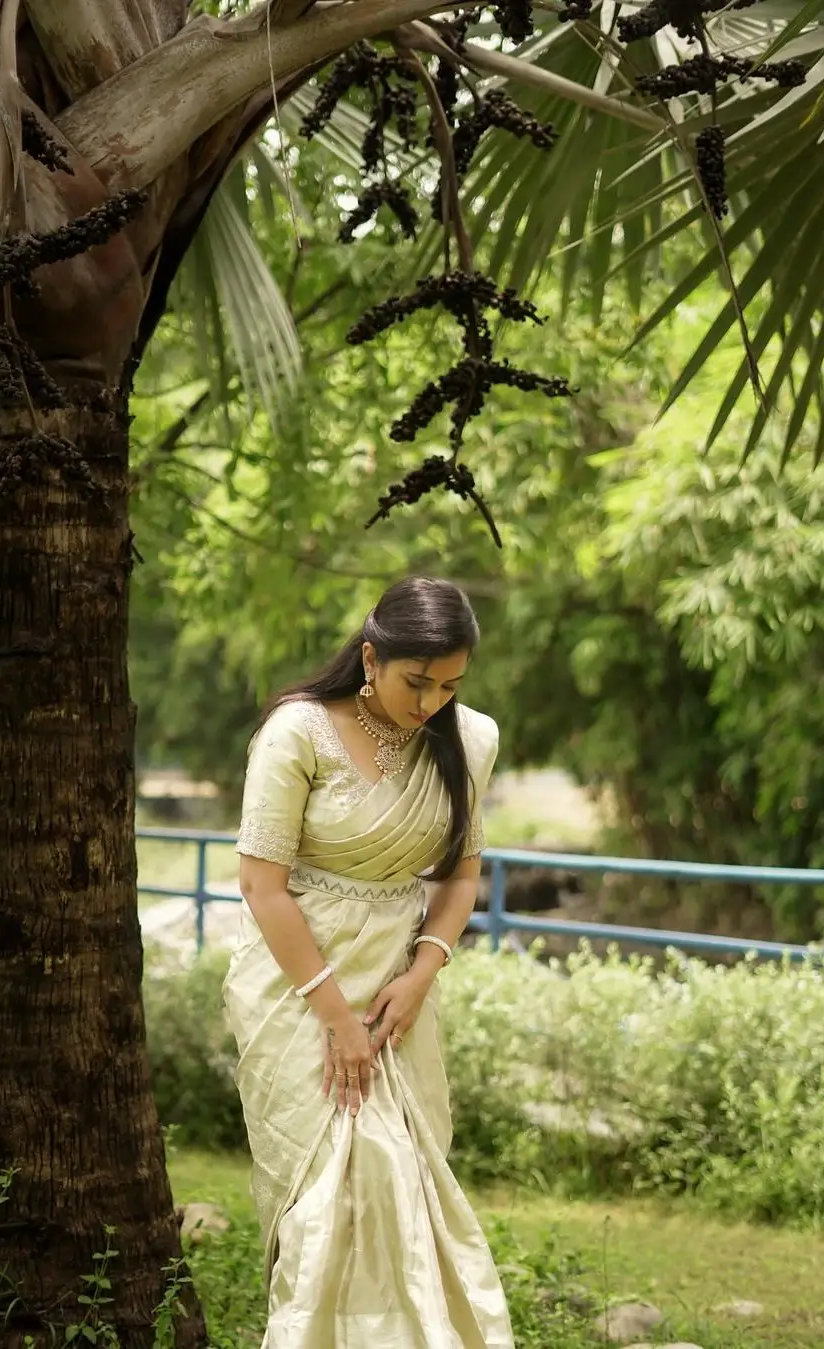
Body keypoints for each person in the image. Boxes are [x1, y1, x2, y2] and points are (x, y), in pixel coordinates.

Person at [223, 575, 514, 1348]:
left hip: (396, 984)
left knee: (399, 1182)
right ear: (369, 656)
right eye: (416, 681)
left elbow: (460, 876)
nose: (431, 703)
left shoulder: (469, 740)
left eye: (449, 685)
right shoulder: (299, 732)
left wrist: (421, 974)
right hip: (295, 983)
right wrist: (334, 1018)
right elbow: (261, 884)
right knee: (326, 1189)